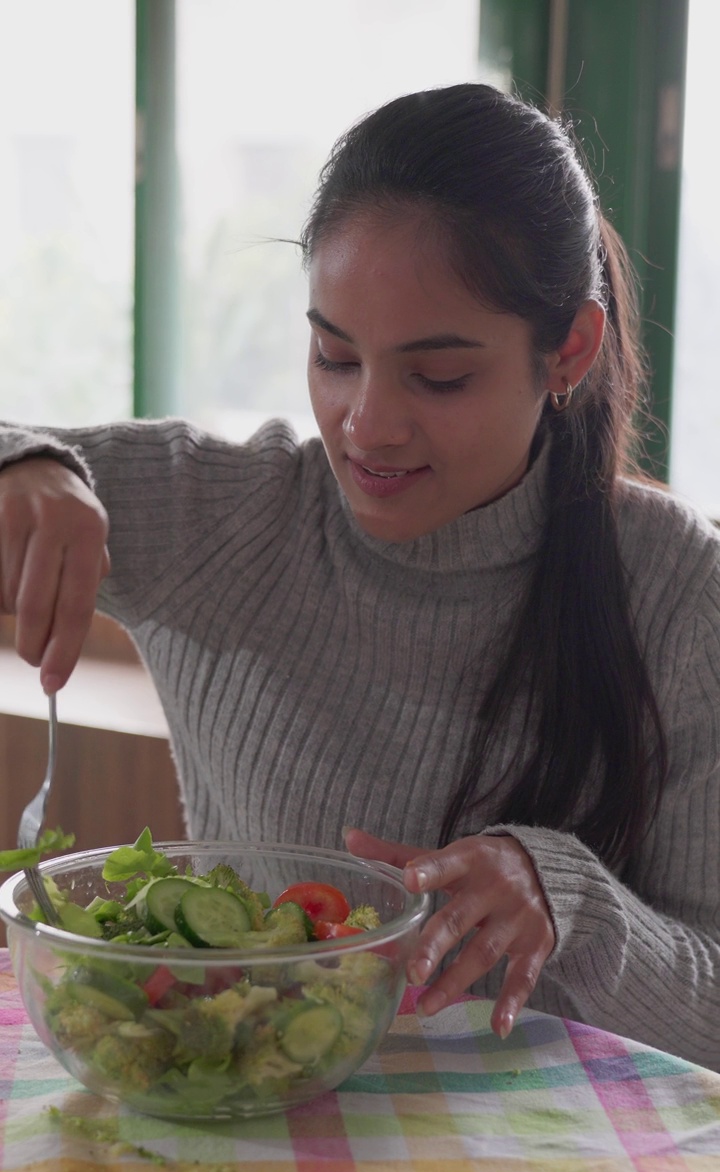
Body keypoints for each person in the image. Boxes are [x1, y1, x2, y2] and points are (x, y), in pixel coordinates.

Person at [1, 83, 719, 1068]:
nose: (368, 424)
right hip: (242, 1136)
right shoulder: (234, 514)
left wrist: (575, 903)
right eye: (336, 355)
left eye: (439, 376)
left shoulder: (680, 592)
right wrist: (27, 465)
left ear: (570, 351)